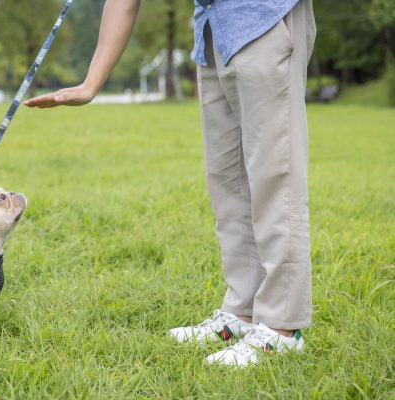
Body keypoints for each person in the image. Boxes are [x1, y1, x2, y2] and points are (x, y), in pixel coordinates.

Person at [25, 0, 316, 367]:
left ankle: (281, 328)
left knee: (275, 176)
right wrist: (91, 83)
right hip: (213, 28)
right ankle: (242, 313)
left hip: (264, 17)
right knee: (228, 182)